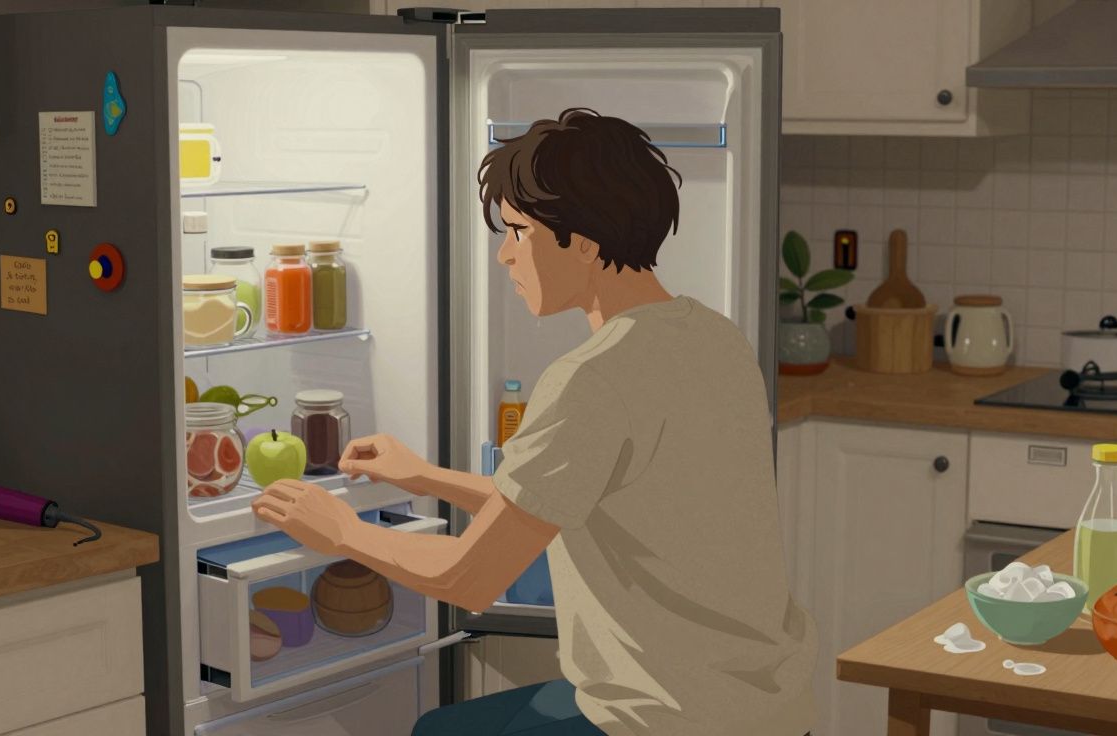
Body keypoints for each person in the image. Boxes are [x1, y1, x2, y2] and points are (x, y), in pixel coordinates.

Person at [253, 108, 816, 736]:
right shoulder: (711, 336)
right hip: (767, 704)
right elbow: (580, 502)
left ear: (582, 241)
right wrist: (425, 477)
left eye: (518, 232)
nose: (503, 255)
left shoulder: (593, 377)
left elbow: (468, 574)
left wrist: (341, 531)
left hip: (664, 718)